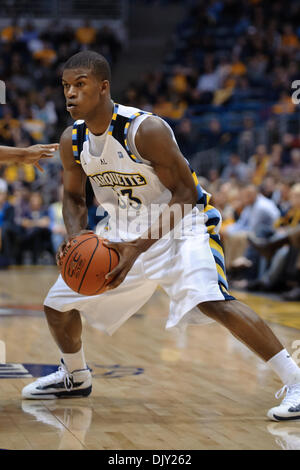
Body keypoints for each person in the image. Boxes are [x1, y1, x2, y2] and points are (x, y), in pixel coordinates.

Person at [22, 51, 300, 422]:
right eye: (65, 87)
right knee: (57, 306)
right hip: (121, 228)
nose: (70, 94)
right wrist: (77, 239)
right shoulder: (73, 140)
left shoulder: (145, 130)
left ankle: (296, 382)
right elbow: (73, 197)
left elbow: (186, 194)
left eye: (80, 85)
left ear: (103, 88)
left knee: (211, 299)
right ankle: (75, 377)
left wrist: (136, 248)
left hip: (182, 224)